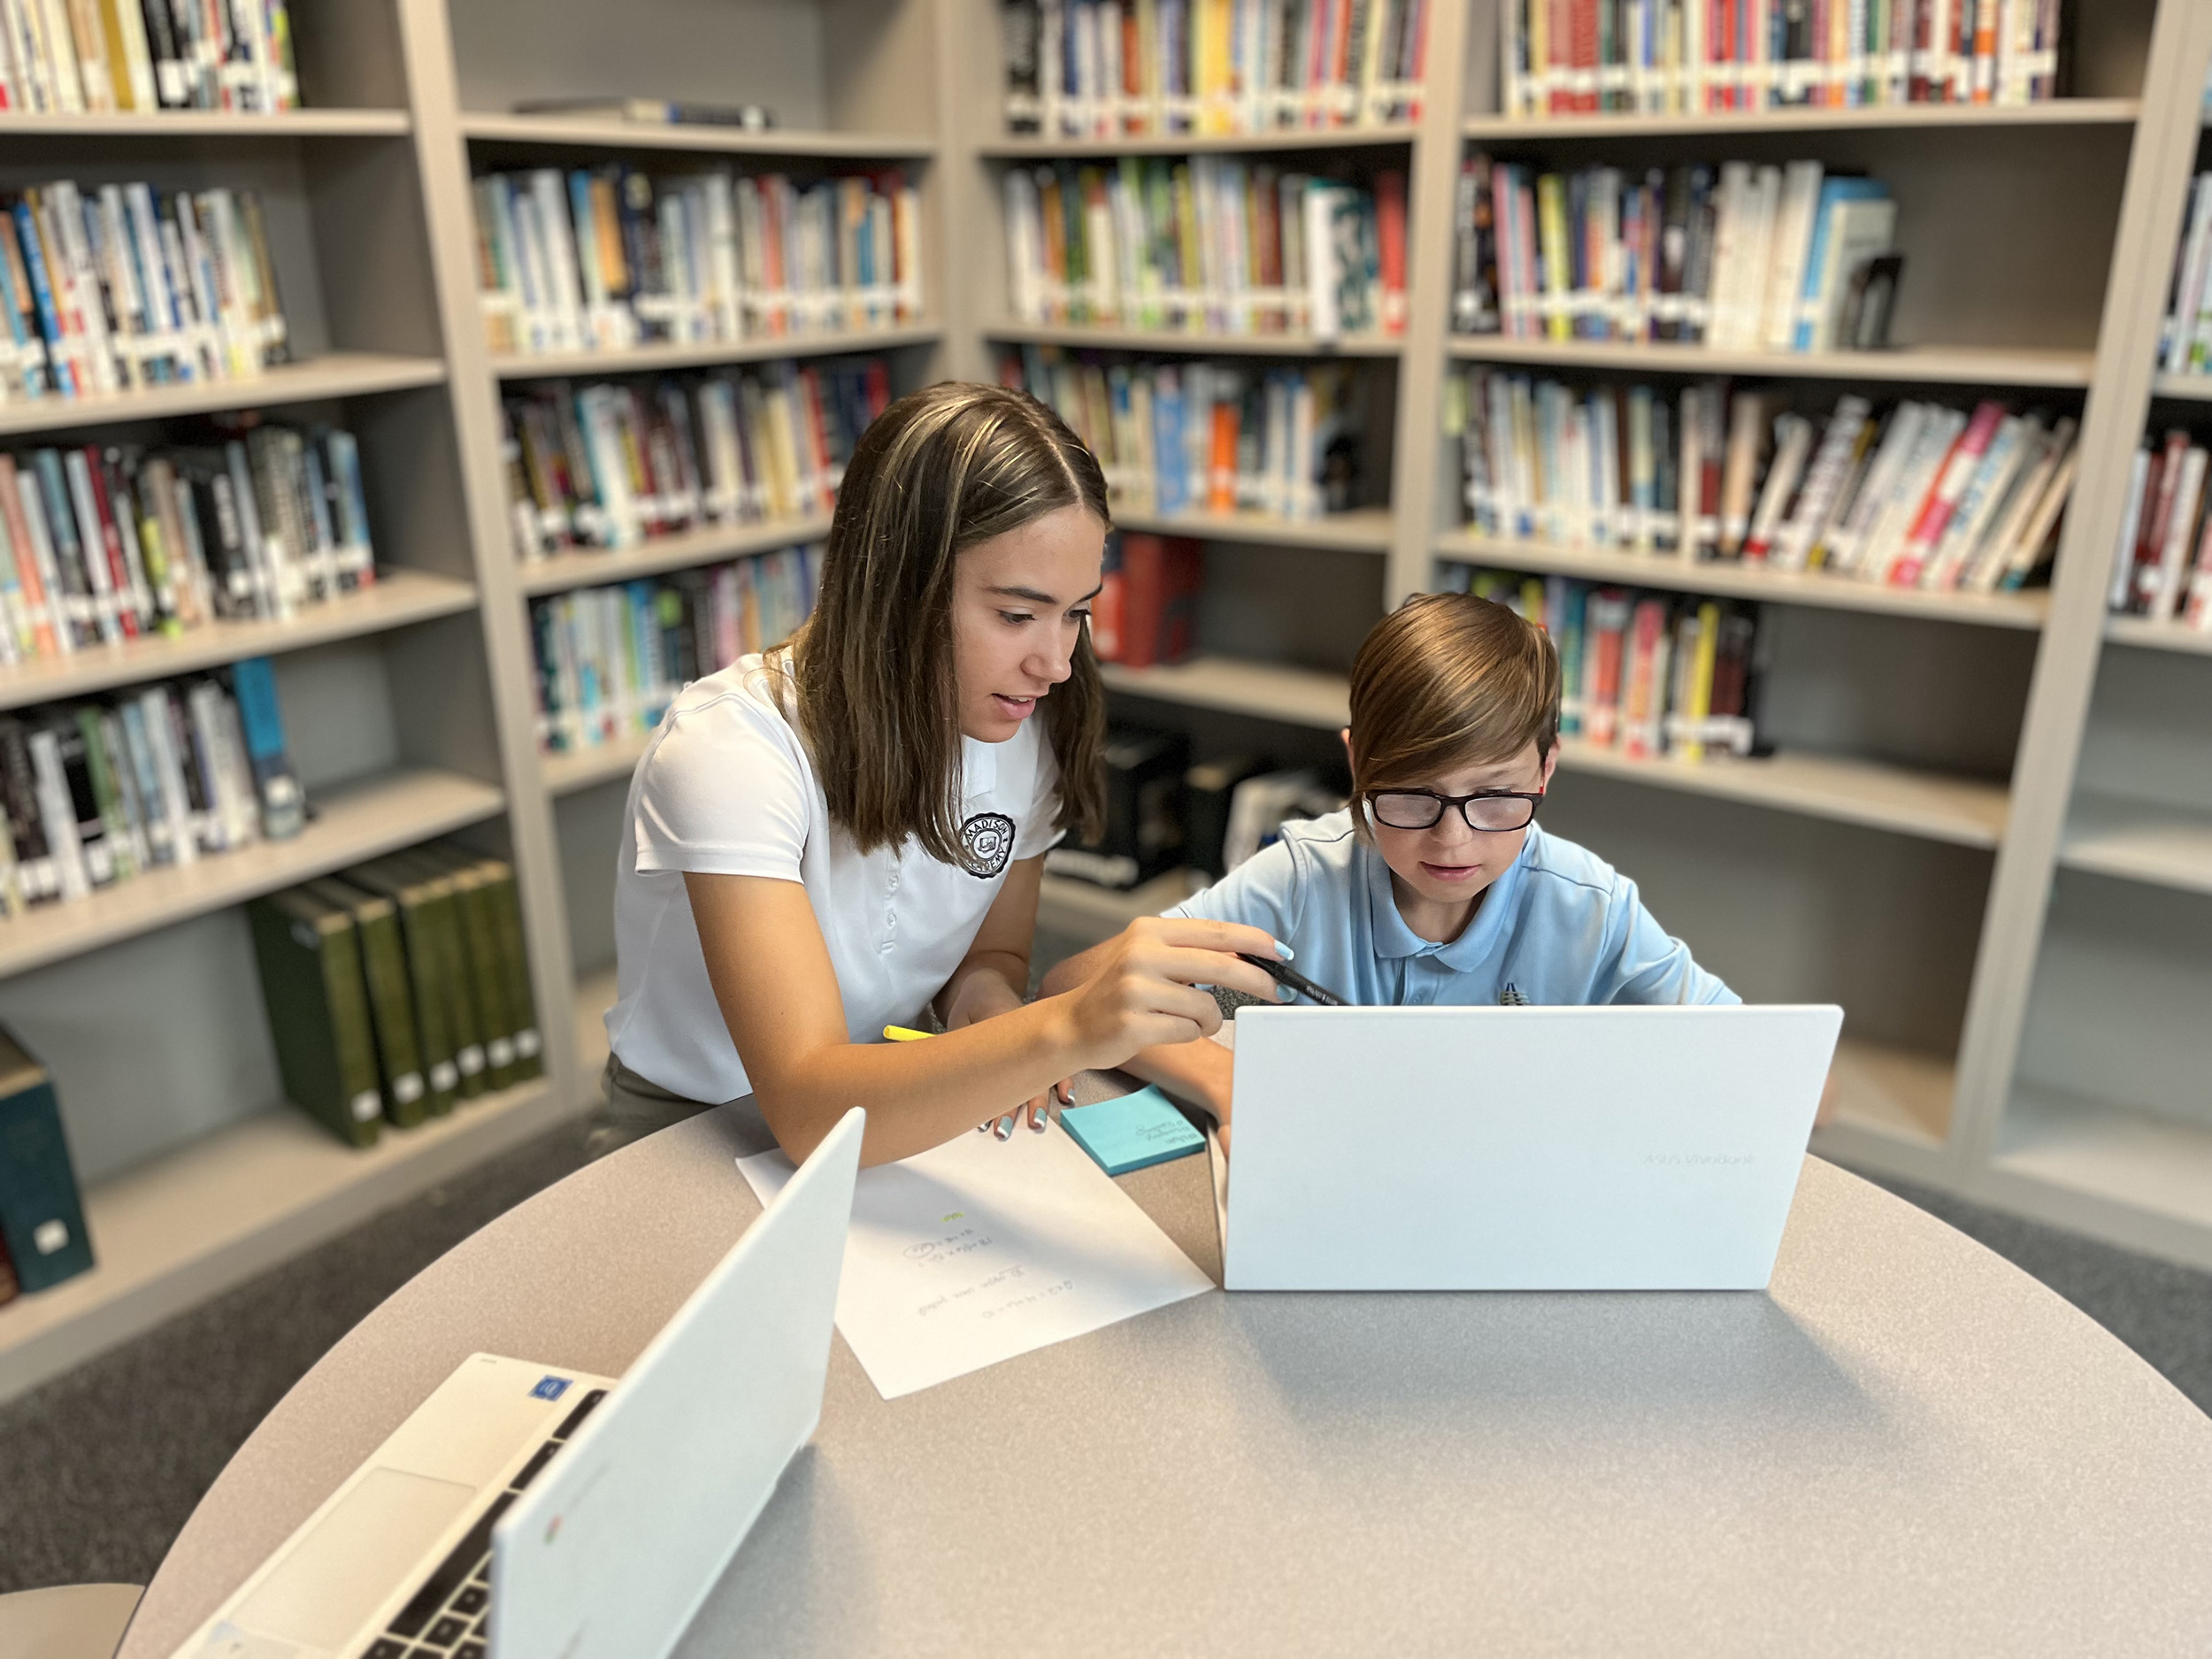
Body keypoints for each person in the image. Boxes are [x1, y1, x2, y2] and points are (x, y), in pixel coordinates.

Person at [588, 382, 1286, 1166]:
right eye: (1018, 615)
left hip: (901, 1089)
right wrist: (1067, 1026)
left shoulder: (1029, 718)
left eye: (1077, 612)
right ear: (896, 588)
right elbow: (811, 1105)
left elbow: (989, 959)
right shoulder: (729, 753)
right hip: (700, 1128)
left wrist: (986, 1007)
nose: (1055, 663)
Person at [1043, 592, 1742, 1144]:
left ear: (1546, 769)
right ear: (1358, 765)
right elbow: (1075, 987)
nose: (1452, 841)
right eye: (1411, 796)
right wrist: (1230, 1085)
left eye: (1497, 798)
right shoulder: (1300, 878)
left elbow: (1752, 1064)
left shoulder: (1591, 907)